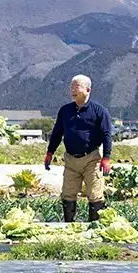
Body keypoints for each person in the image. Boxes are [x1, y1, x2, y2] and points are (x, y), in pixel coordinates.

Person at [44, 74, 112, 222]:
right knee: (68, 193)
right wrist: (50, 153)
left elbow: (107, 134)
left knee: (95, 194)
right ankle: (69, 225)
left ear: (87, 90)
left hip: (91, 158)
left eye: (77, 87)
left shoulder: (99, 111)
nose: (73, 90)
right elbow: (57, 133)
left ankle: (94, 226)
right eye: (71, 87)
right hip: (70, 159)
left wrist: (106, 157)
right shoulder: (65, 110)